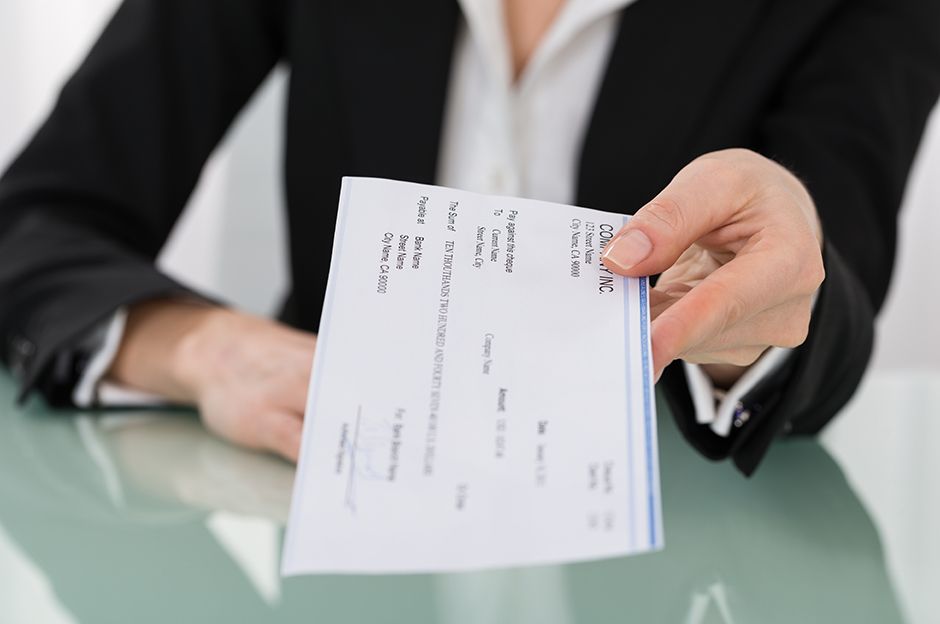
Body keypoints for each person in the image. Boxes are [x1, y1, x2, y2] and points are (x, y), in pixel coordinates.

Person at [1, 0, 938, 475]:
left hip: (671, 545)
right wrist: (205, 349)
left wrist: (750, 314)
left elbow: (832, 303)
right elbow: (36, 219)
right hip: (326, 502)